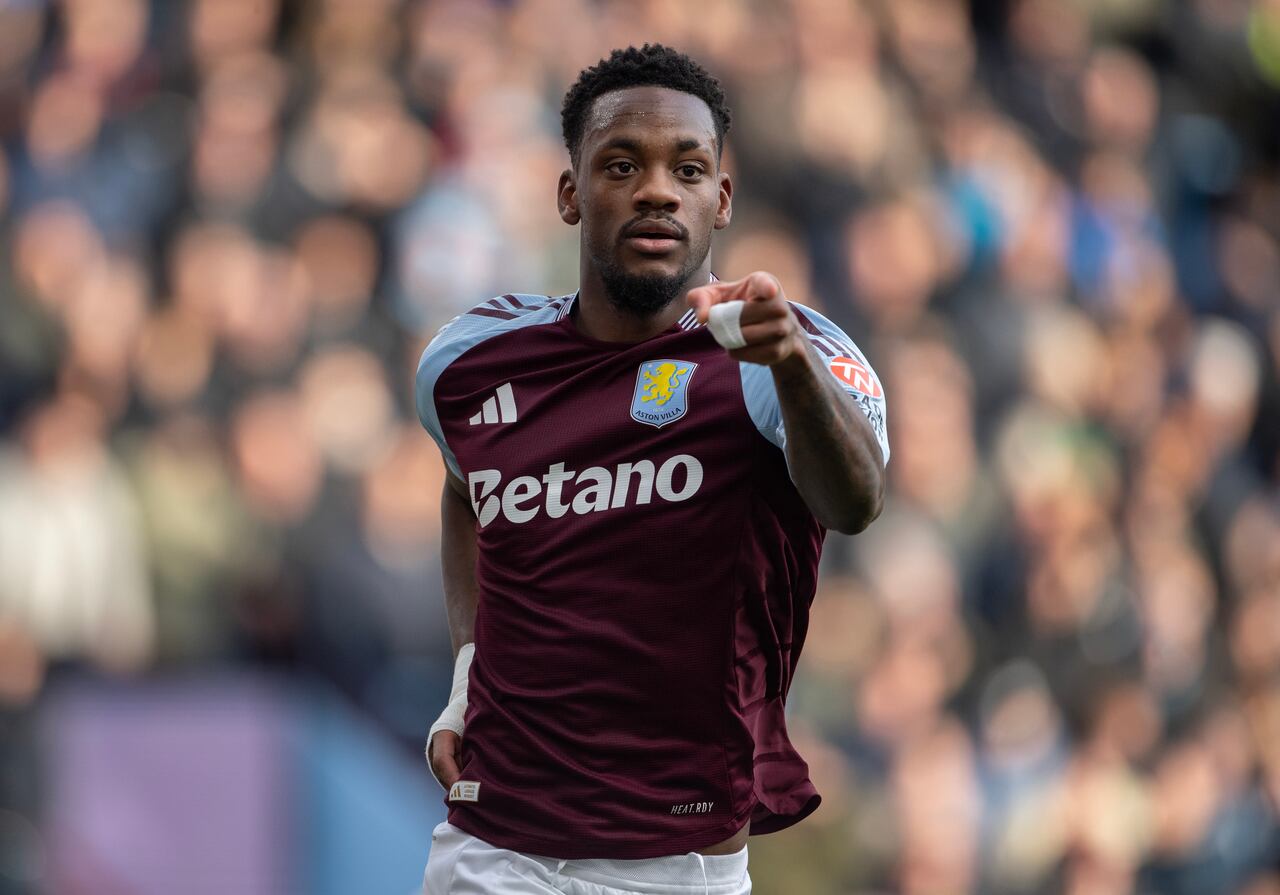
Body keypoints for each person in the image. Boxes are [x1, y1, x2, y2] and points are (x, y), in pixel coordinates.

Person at [415, 44, 888, 895]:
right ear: (571, 194)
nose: (657, 189)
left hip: (675, 865)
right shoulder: (471, 360)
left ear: (722, 198)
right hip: (489, 849)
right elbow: (463, 489)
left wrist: (790, 365)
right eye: (622, 164)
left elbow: (854, 500)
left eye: (689, 168)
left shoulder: (790, 355)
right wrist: (467, 670)